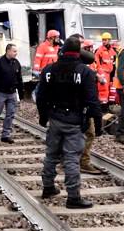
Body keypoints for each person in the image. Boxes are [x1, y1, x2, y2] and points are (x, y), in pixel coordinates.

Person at [37, 35, 102, 208]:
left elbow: (41, 97)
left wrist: (43, 117)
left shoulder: (49, 70)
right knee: (72, 158)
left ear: (63, 50)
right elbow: (92, 101)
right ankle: (73, 197)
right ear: (78, 52)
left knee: (51, 155)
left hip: (55, 118)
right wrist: (98, 123)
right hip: (74, 120)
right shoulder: (85, 72)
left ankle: (48, 187)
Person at [0, 43, 24, 143]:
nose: (16, 53)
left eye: (16, 51)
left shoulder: (16, 63)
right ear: (8, 51)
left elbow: (19, 79)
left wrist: (21, 92)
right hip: (0, 93)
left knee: (10, 114)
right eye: (14, 51)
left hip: (12, 93)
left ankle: (5, 135)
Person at [78, 46, 106, 175]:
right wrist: (99, 121)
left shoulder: (65, 66)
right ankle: (83, 162)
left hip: (65, 109)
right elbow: (92, 98)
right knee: (90, 133)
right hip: (82, 109)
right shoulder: (86, 72)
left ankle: (68, 159)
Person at [93, 32, 118, 110]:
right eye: (103, 40)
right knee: (103, 90)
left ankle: (108, 106)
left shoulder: (112, 51)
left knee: (111, 90)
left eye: (105, 40)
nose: (104, 41)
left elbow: (114, 62)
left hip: (110, 73)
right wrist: (100, 73)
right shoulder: (99, 50)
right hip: (103, 73)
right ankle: (103, 107)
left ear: (109, 40)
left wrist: (114, 74)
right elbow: (96, 63)